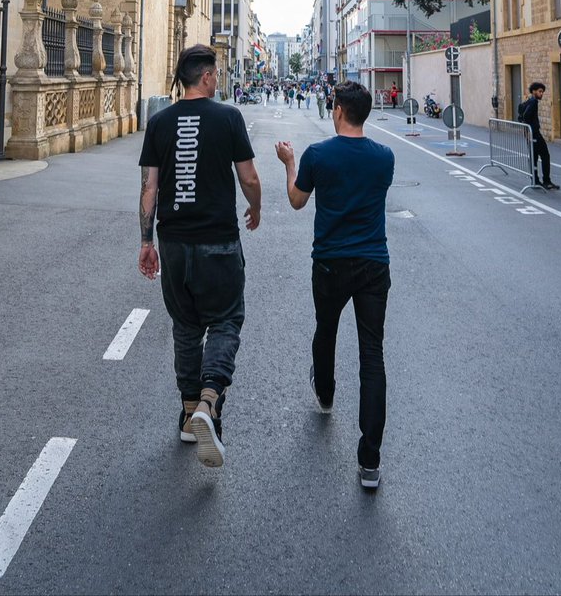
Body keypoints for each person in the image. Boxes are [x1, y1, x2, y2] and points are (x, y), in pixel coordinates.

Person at [138, 43, 262, 469]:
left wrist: (146, 241)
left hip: (173, 243)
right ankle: (210, 400)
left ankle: (189, 413)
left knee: (186, 328)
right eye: (216, 74)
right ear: (207, 77)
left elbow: (149, 188)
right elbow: (248, 177)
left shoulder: (159, 122)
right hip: (219, 243)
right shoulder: (228, 117)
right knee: (226, 320)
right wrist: (257, 206)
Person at [275, 81, 394, 490]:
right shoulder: (385, 157)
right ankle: (370, 461)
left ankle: (325, 394)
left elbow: (296, 200)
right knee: (372, 355)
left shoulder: (317, 155)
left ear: (340, 110)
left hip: (329, 263)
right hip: (374, 264)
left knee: (326, 332)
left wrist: (289, 163)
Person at [519, 81, 560, 191]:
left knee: (534, 156)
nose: (541, 94)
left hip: (530, 133)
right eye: (540, 91)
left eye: (542, 92)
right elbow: (526, 116)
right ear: (534, 91)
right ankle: (546, 181)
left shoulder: (528, 101)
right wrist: (529, 130)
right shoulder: (533, 102)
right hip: (534, 134)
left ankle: (535, 180)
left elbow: (521, 115)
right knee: (545, 155)